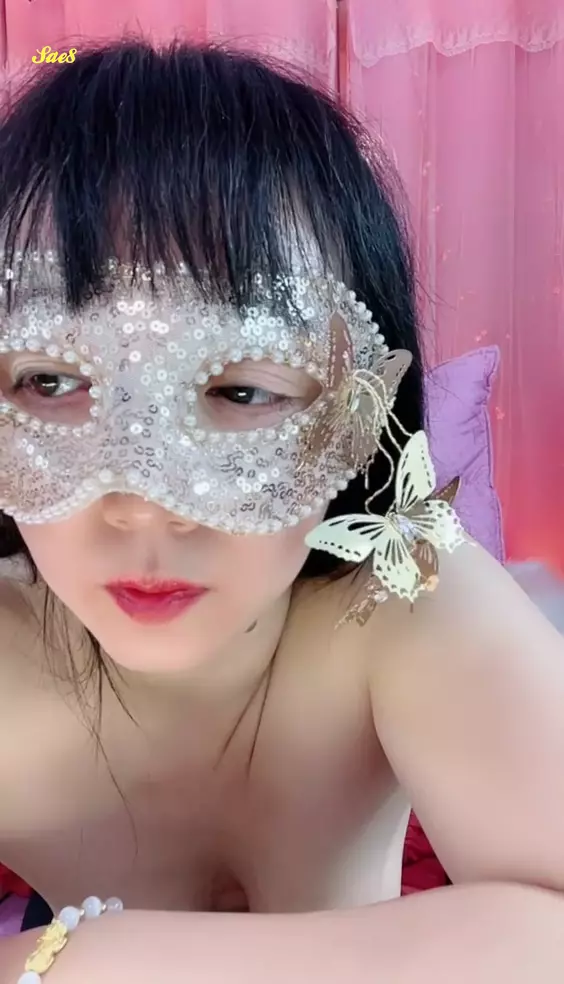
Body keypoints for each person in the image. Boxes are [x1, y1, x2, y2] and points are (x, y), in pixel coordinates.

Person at [1, 38, 564, 984]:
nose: (145, 509)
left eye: (243, 391)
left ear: (362, 411)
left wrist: (87, 959)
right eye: (52, 381)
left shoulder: (401, 601)